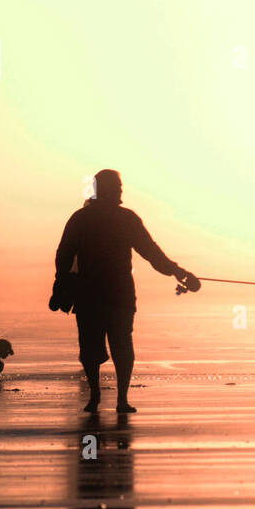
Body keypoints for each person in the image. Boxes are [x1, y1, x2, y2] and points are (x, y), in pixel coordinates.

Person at [54, 170, 197, 413]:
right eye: (116, 186)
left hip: (107, 292)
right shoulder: (100, 219)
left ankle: (114, 398)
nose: (121, 190)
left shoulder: (95, 218)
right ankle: (102, 396)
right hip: (102, 291)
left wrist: (177, 271)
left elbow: (150, 252)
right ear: (103, 189)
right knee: (102, 346)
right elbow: (65, 254)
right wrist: (61, 283)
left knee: (109, 345)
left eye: (120, 186)